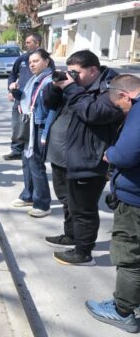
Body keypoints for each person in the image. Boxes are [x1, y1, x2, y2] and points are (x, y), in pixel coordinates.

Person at [43, 50, 124, 266]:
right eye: (70, 72)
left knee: (83, 208)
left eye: (76, 72)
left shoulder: (112, 88)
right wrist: (55, 86)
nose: (73, 76)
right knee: (67, 201)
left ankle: (83, 252)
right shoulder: (77, 85)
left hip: (87, 159)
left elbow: (94, 113)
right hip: (63, 156)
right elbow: (48, 103)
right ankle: (71, 235)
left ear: (93, 70)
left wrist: (71, 88)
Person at [85, 74, 140, 333]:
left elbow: (125, 155)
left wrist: (110, 153)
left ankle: (122, 311)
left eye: (121, 107)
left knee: (129, 256)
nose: (122, 111)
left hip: (135, 201)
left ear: (125, 95)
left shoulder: (138, 111)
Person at [11, 49, 54, 218]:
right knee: (27, 160)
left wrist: (45, 132)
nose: (32, 65)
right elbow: (26, 98)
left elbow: (50, 108)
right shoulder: (34, 78)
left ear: (46, 61)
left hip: (38, 125)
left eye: (36, 61)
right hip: (29, 124)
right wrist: (16, 92)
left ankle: (42, 203)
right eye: (30, 62)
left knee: (36, 163)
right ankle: (28, 195)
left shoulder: (49, 79)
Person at [4, 33, 54, 161]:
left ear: (37, 43)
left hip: (35, 100)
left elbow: (51, 78)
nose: (25, 45)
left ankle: (32, 150)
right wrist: (11, 87)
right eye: (26, 42)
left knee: (31, 126)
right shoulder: (22, 59)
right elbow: (13, 74)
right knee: (17, 125)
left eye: (28, 42)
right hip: (20, 96)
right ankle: (16, 150)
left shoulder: (47, 60)